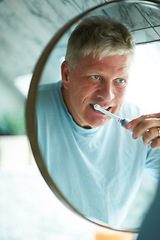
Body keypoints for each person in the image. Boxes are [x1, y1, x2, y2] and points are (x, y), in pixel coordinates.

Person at [36, 16, 160, 228]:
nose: (108, 96)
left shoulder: (144, 127)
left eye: (120, 80)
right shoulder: (34, 109)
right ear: (67, 74)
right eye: (95, 77)